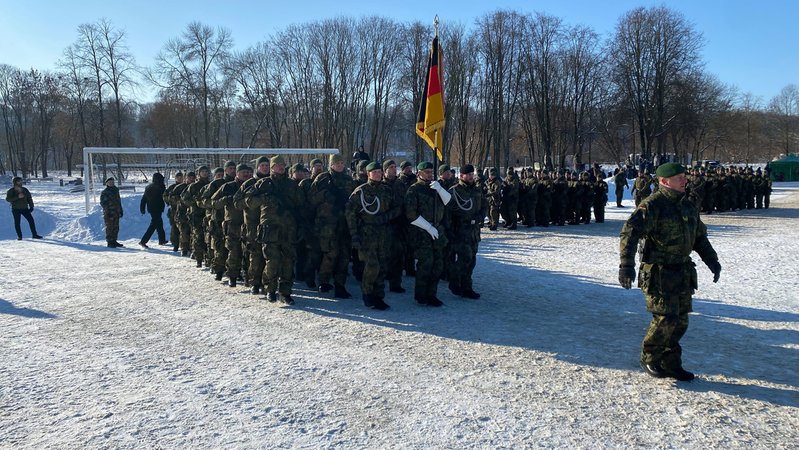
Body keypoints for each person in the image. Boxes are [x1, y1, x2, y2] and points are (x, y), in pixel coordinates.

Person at [619, 162, 721, 381]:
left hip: (682, 271)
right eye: (679, 178)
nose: (685, 180)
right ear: (665, 181)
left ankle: (671, 361)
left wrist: (712, 260)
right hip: (659, 272)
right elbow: (630, 233)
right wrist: (626, 265)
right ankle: (650, 357)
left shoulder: (688, 205)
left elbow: (699, 237)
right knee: (665, 318)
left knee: (681, 320)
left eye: (685, 176)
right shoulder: (653, 205)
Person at [249, 156, 306, 304]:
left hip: (289, 229)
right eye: (277, 165)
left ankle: (285, 292)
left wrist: (300, 225)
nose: (281, 167)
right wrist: (263, 198)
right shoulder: (263, 184)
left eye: (283, 165)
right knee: (272, 261)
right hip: (270, 229)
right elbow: (248, 201)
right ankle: (270, 290)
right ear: (272, 167)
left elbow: (301, 205)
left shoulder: (292, 185)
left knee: (288, 262)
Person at [346, 161, 401, 310]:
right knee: (371, 266)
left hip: (383, 235)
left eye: (379, 171)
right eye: (374, 172)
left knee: (382, 267)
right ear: (368, 174)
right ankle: (368, 295)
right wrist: (355, 236)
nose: (377, 174)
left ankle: (379, 296)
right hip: (367, 235)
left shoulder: (387, 190)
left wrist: (385, 217)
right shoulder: (360, 192)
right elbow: (350, 214)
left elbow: (398, 208)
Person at [309, 153, 358, 299]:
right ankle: (324, 281)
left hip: (344, 223)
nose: (340, 166)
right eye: (337, 163)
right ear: (331, 165)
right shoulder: (322, 178)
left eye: (342, 163)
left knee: (344, 256)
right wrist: (326, 195)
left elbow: (354, 201)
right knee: (330, 254)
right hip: (327, 225)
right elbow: (312, 199)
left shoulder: (349, 181)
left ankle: (340, 285)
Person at [405, 161, 451, 307]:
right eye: (426, 172)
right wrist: (428, 227)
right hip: (422, 233)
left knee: (438, 265)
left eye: (431, 172)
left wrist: (440, 189)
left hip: (438, 232)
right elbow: (411, 214)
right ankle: (421, 295)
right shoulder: (414, 190)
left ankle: (432, 294)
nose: (430, 174)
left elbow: (448, 201)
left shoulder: (435, 187)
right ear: (419, 173)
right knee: (425, 265)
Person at [446, 164, 484, 299]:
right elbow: (447, 213)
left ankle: (467, 287)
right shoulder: (454, 191)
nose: (470, 177)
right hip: (460, 232)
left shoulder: (477, 190)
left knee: (472, 261)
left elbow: (483, 205)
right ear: (461, 176)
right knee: (465, 259)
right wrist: (450, 231)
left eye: (472, 174)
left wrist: (480, 217)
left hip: (474, 232)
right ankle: (454, 281)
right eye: (468, 174)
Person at [139, 172, 167, 248]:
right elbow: (165, 196)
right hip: (158, 208)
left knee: (159, 223)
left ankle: (162, 240)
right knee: (153, 225)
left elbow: (144, 199)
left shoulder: (148, 187)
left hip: (151, 209)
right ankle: (143, 241)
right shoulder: (161, 186)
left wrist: (142, 208)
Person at [100, 177, 124, 248]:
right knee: (110, 227)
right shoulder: (105, 192)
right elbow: (103, 203)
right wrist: (108, 212)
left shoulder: (116, 190)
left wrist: (121, 210)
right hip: (109, 213)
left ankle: (114, 241)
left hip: (116, 212)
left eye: (113, 182)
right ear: (107, 183)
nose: (112, 183)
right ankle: (110, 242)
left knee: (116, 227)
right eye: (110, 182)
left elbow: (119, 201)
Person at [163, 172, 184, 251]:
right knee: (174, 228)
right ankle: (175, 243)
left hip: (183, 210)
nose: (179, 179)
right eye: (178, 177)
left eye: (181, 177)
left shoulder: (186, 186)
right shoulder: (172, 187)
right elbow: (165, 196)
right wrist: (170, 200)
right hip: (174, 210)